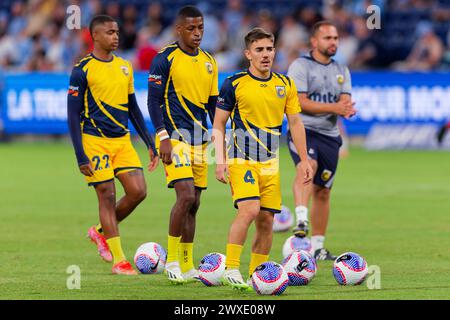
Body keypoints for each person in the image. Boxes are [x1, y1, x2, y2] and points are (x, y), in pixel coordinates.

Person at [213, 27, 312, 290]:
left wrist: (303, 159)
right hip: (241, 160)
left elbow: (295, 123)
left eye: (269, 49)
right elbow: (218, 124)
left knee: (267, 221)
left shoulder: (285, 84)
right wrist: (220, 161)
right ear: (248, 54)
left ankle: (257, 274)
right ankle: (231, 269)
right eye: (259, 50)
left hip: (271, 163)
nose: (265, 54)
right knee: (249, 210)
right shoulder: (234, 84)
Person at [67, 15, 159, 275]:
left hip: (122, 141)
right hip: (95, 142)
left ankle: (99, 232)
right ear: (95, 36)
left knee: (138, 191)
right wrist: (80, 156)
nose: (116, 36)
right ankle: (120, 260)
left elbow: (132, 108)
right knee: (107, 195)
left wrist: (149, 141)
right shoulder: (82, 69)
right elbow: (72, 114)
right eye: (109, 32)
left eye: (117, 32)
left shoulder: (125, 66)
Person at [147, 6, 218, 284]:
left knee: (195, 203)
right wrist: (162, 136)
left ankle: (188, 265)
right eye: (191, 28)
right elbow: (153, 101)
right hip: (174, 138)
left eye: (200, 27)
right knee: (185, 196)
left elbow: (213, 105)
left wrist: (220, 134)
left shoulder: (210, 61)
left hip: (200, 140)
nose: (197, 33)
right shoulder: (164, 58)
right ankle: (173, 261)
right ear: (179, 29)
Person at [287, 21, 356, 260]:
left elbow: (345, 102)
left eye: (336, 38)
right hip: (303, 130)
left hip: (330, 136)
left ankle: (317, 246)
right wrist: (335, 107)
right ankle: (301, 219)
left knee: (324, 191)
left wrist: (345, 108)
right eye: (327, 38)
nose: (333, 42)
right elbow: (300, 102)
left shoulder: (342, 70)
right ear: (314, 42)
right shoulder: (300, 66)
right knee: (308, 167)